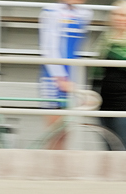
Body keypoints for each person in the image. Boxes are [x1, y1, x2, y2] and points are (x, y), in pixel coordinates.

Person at [89, 0, 126, 150]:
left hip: (124, 103)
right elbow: (97, 71)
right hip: (103, 100)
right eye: (117, 14)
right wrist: (93, 96)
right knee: (106, 145)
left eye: (125, 15)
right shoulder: (105, 40)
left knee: (122, 145)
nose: (120, 18)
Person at [38, 0, 92, 148]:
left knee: (66, 132)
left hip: (72, 75)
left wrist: (79, 83)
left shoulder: (84, 13)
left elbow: (77, 51)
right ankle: (50, 168)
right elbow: (48, 47)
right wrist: (59, 77)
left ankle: (58, 167)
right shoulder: (51, 11)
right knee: (55, 131)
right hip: (53, 78)